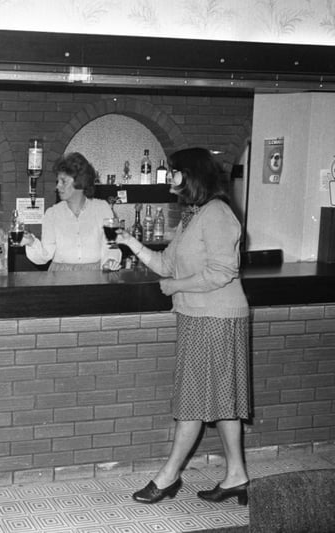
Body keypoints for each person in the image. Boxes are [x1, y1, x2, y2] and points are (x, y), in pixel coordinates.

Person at [116, 147, 251, 505]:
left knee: (191, 400)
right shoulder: (192, 215)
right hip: (198, 315)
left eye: (174, 172)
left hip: (216, 317)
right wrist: (131, 244)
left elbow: (223, 273)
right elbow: (166, 264)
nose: (170, 178)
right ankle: (236, 475)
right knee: (223, 401)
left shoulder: (218, 214)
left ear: (192, 175)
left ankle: (168, 477)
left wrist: (177, 286)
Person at [20, 152, 120, 271]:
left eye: (63, 181)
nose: (58, 187)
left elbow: (111, 245)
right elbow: (45, 255)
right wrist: (31, 242)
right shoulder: (52, 214)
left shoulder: (103, 208)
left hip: (94, 277)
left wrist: (110, 261)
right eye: (58, 182)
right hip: (60, 278)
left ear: (80, 182)